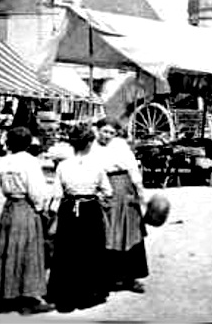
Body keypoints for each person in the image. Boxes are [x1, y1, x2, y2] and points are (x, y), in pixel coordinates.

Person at [47, 123, 113, 312]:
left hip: (69, 209)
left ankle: (65, 296)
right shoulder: (97, 166)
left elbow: (57, 193)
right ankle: (88, 295)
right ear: (90, 143)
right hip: (90, 208)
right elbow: (108, 191)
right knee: (90, 250)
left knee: (67, 250)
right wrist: (96, 196)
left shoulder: (63, 166)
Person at [0, 127, 54, 314]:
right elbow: (36, 190)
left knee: (7, 251)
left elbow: (3, 187)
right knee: (29, 252)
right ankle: (28, 299)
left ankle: (4, 294)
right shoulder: (30, 162)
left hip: (10, 207)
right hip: (25, 207)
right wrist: (40, 208)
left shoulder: (4, 161)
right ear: (28, 143)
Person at [92, 117, 149, 293]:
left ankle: (130, 278)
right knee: (107, 234)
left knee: (129, 232)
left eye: (111, 133)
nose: (107, 136)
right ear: (98, 129)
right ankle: (109, 277)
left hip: (123, 188)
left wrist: (140, 193)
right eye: (105, 131)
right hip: (102, 188)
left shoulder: (120, 146)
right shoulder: (91, 147)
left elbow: (133, 169)